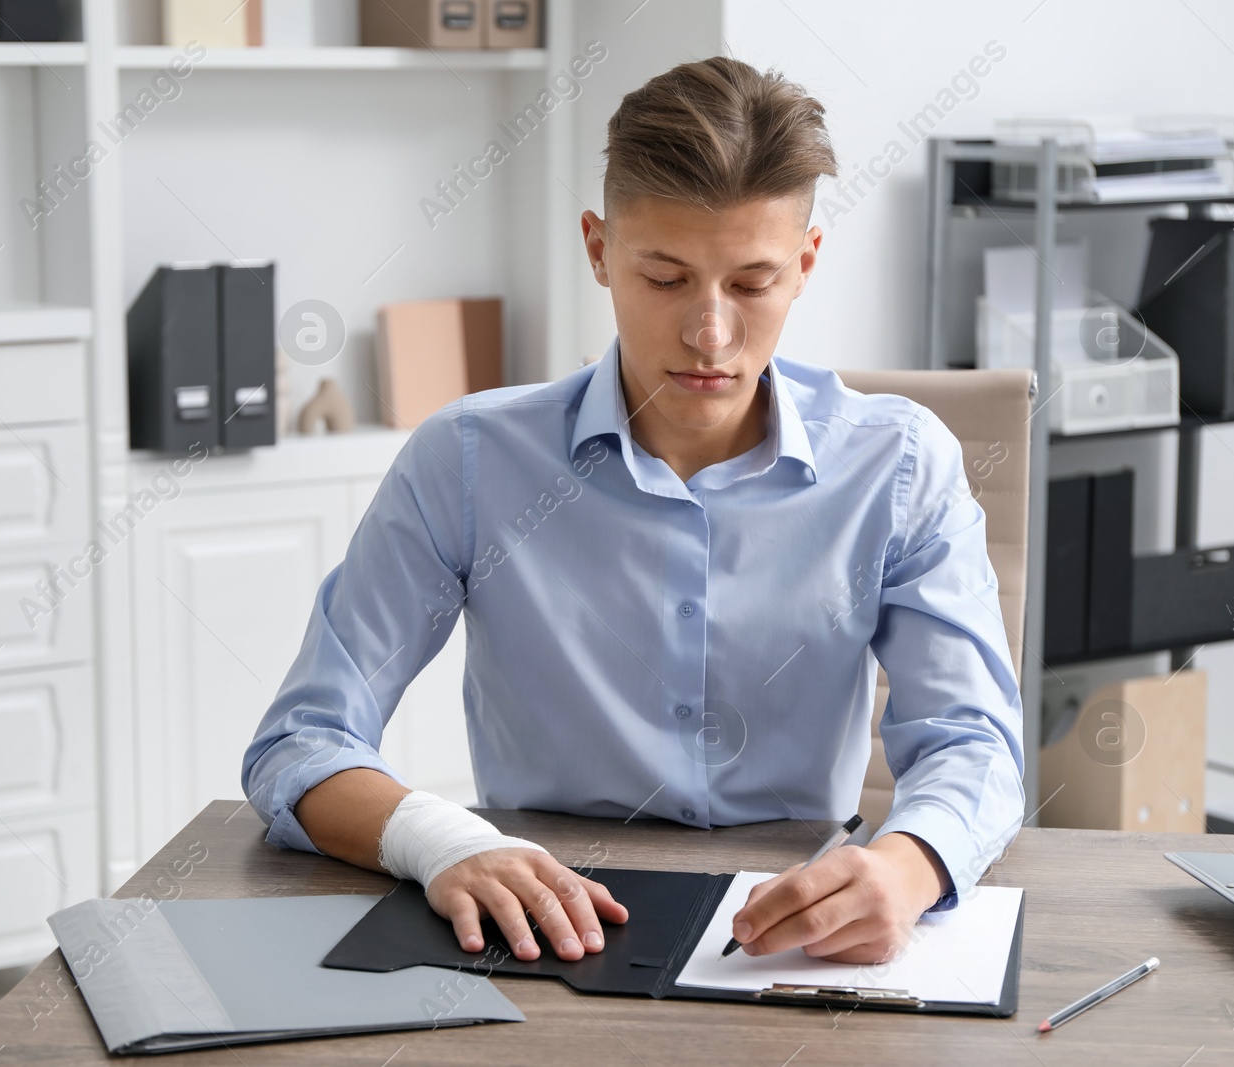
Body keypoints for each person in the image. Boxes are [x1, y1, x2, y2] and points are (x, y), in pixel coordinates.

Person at [242, 55, 1024, 968]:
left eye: (751, 283)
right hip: (542, 931)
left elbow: (973, 741)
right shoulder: (466, 461)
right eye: (665, 279)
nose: (709, 334)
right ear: (598, 249)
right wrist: (445, 841)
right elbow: (300, 743)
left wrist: (908, 864)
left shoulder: (900, 463)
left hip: (792, 938)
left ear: (806, 263)